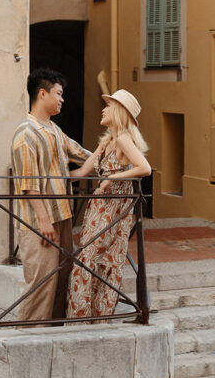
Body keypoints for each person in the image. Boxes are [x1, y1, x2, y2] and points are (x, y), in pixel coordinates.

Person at [10, 68, 92, 324]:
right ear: (42, 94)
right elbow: (29, 184)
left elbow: (80, 153)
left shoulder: (54, 129)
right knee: (41, 283)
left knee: (62, 277)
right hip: (39, 222)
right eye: (58, 93)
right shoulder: (26, 134)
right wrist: (44, 221)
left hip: (62, 215)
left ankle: (54, 331)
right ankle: (26, 336)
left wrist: (115, 152)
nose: (62, 99)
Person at [66, 89, 151, 321]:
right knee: (90, 258)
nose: (103, 110)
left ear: (119, 112)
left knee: (94, 259)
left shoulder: (123, 139)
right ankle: (85, 319)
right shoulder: (106, 142)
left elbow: (144, 168)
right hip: (99, 209)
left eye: (108, 106)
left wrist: (112, 178)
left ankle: (91, 319)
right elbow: (82, 172)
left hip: (114, 210)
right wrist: (51, 179)